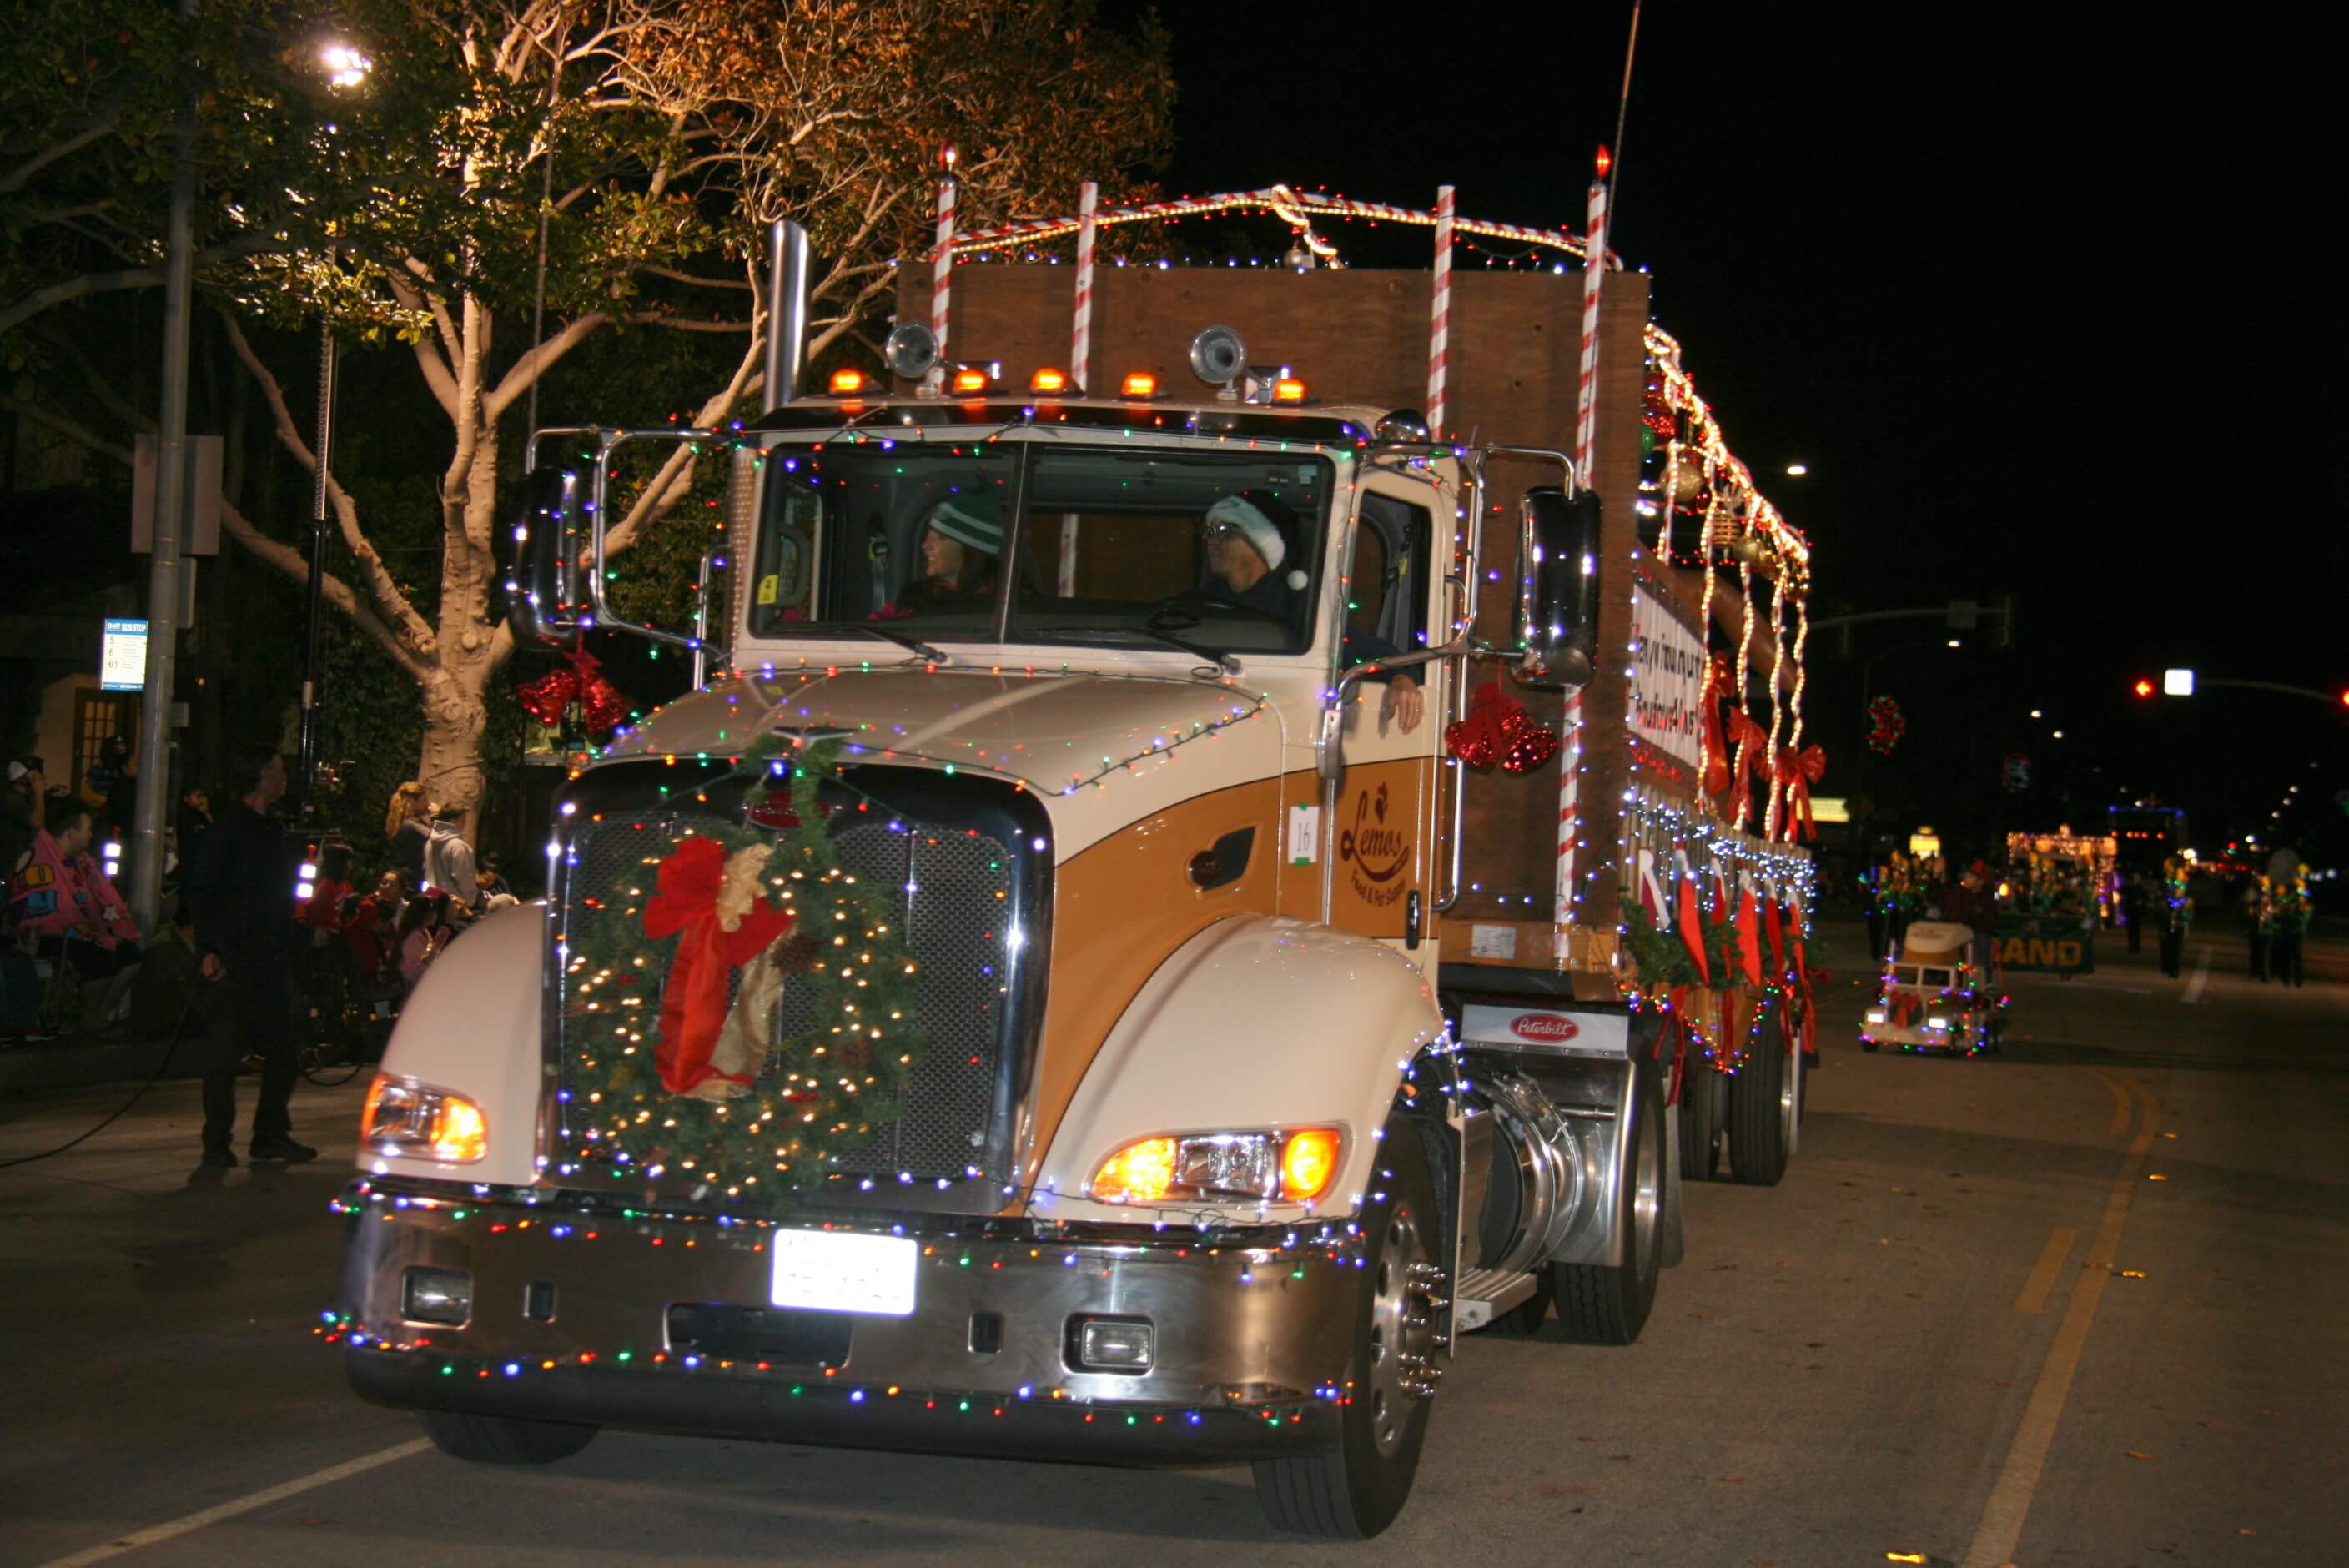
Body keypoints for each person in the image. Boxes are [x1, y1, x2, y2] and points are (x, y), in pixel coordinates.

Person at [1196, 491, 1424, 733]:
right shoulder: (1198, 605)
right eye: (1210, 532)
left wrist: (1401, 677)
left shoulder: (1301, 606)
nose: (1212, 541)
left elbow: (1359, 648)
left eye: (1225, 531)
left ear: (1260, 541)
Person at [186, 748, 313, 1165]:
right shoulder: (230, 830)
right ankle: (218, 1142)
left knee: (284, 1044)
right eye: (277, 770)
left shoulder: (270, 830)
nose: (284, 779)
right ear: (260, 775)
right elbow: (205, 891)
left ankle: (269, 1134)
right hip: (236, 956)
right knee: (225, 1052)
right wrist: (210, 947)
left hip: (268, 953)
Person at [8, 800, 143, 1035]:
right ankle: (89, 1018)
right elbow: (57, 909)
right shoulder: (41, 855)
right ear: (71, 832)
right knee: (99, 957)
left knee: (132, 956)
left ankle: (99, 1015)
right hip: (46, 933)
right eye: (87, 829)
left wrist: (112, 929)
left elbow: (98, 900)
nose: (91, 835)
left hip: (80, 930)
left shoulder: (82, 861)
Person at [897, 494, 1003, 612]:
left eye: (941, 538)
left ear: (971, 550)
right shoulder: (912, 598)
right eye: (929, 535)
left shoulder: (1002, 609)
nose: (925, 545)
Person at [1941, 858, 2000, 985]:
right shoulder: (1959, 893)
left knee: (1982, 941)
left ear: (1980, 882)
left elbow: (1988, 922)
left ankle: (1984, 980)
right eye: (1967, 875)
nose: (1967, 879)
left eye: (1971, 876)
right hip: (1957, 932)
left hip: (1976, 933)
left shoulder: (1987, 899)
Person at [421, 806, 478, 907]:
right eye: (463, 820)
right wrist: (470, 901)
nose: (465, 824)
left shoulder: (429, 843)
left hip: (432, 900)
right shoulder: (458, 846)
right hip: (454, 905)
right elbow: (464, 877)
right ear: (453, 821)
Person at [395, 891, 452, 990]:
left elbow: (428, 958)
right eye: (435, 913)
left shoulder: (424, 932)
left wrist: (439, 942)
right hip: (415, 986)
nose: (437, 916)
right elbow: (414, 970)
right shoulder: (413, 937)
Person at [2, 756, 46, 881]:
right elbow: (37, 822)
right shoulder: (12, 800)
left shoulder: (25, 799)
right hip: (12, 869)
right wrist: (39, 793)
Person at [385, 781, 432, 892]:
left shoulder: (401, 822)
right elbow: (437, 839)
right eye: (424, 799)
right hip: (413, 880)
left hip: (405, 876)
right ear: (413, 802)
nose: (427, 803)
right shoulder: (413, 825)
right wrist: (437, 816)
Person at [2156, 855, 2192, 978]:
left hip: (2178, 916)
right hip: (2168, 915)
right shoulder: (2167, 881)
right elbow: (2162, 896)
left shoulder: (2182, 881)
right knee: (2167, 943)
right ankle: (2168, 967)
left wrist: (2182, 906)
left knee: (2176, 944)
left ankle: (2174, 969)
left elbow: (2187, 898)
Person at [2120, 872, 2147, 955]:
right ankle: (2131, 946)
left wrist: (2141, 903)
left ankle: (2137, 946)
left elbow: (2145, 898)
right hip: (2130, 910)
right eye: (2135, 878)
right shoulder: (2129, 888)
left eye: (2137, 878)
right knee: (2131, 930)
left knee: (2137, 930)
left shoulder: (2141, 888)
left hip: (2137, 911)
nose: (2136, 880)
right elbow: (2124, 896)